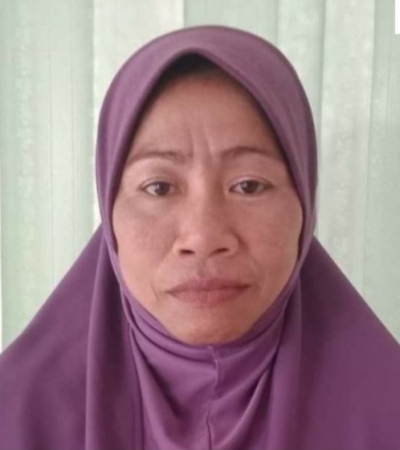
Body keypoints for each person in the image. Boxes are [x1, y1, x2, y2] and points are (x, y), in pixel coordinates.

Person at [1, 24, 400, 450]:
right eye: (159, 187)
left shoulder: (386, 409)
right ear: (109, 205)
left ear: (304, 201)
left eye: (248, 185)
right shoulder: (16, 414)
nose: (204, 236)